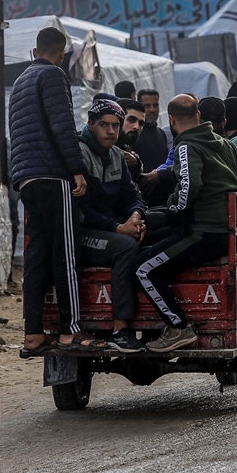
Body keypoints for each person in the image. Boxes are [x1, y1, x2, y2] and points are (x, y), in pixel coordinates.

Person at [130, 95, 237, 352]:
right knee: (150, 239)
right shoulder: (225, 144)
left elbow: (188, 186)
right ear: (198, 116)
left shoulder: (185, 146)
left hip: (202, 233)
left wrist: (174, 210)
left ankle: (179, 327)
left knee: (142, 269)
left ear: (171, 120)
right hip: (223, 232)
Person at [10, 26, 108, 354]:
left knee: (37, 257)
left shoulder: (21, 81)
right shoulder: (53, 75)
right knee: (66, 254)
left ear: (34, 51)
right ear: (62, 54)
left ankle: (33, 334)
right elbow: (62, 126)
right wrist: (76, 170)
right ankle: (71, 331)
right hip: (53, 177)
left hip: (26, 179)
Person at [75, 98, 165, 353]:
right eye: (104, 125)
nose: (111, 131)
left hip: (116, 225)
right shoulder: (79, 154)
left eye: (115, 126)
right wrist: (118, 228)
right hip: (83, 233)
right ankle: (120, 329)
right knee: (125, 246)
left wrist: (136, 217)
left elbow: (131, 195)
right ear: (91, 124)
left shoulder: (116, 155)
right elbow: (81, 210)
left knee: (165, 218)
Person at [136, 88, 175, 206]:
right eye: (147, 106)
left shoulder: (161, 133)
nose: (152, 110)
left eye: (155, 105)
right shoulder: (135, 135)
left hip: (164, 199)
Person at [115, 97, 146, 181]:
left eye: (141, 123)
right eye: (131, 120)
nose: (137, 127)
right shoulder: (99, 146)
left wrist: (136, 164)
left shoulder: (126, 147)